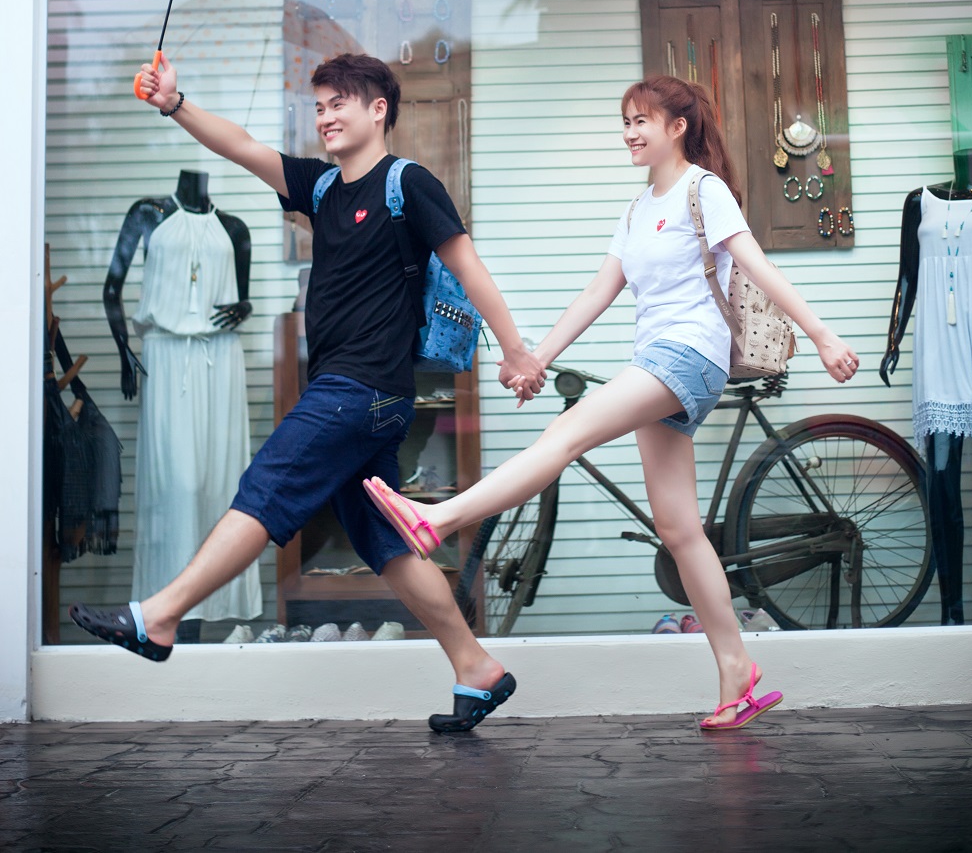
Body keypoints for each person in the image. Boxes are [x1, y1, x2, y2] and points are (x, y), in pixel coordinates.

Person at [70, 51, 545, 735]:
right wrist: (175, 103)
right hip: (362, 395)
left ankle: (161, 617)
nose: (324, 116)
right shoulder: (320, 189)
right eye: (318, 106)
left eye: (338, 103)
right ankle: (476, 665)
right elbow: (241, 147)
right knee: (387, 543)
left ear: (378, 109)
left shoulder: (407, 183)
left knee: (267, 487)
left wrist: (515, 350)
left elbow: (467, 266)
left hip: (359, 388)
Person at [366, 75, 859, 730]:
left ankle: (441, 518)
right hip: (660, 359)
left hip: (688, 354)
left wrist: (821, 333)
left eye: (641, 121)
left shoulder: (703, 190)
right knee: (680, 530)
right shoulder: (637, 210)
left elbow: (756, 264)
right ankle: (736, 670)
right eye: (625, 121)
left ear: (677, 127)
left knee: (565, 436)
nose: (629, 133)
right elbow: (597, 294)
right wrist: (535, 358)